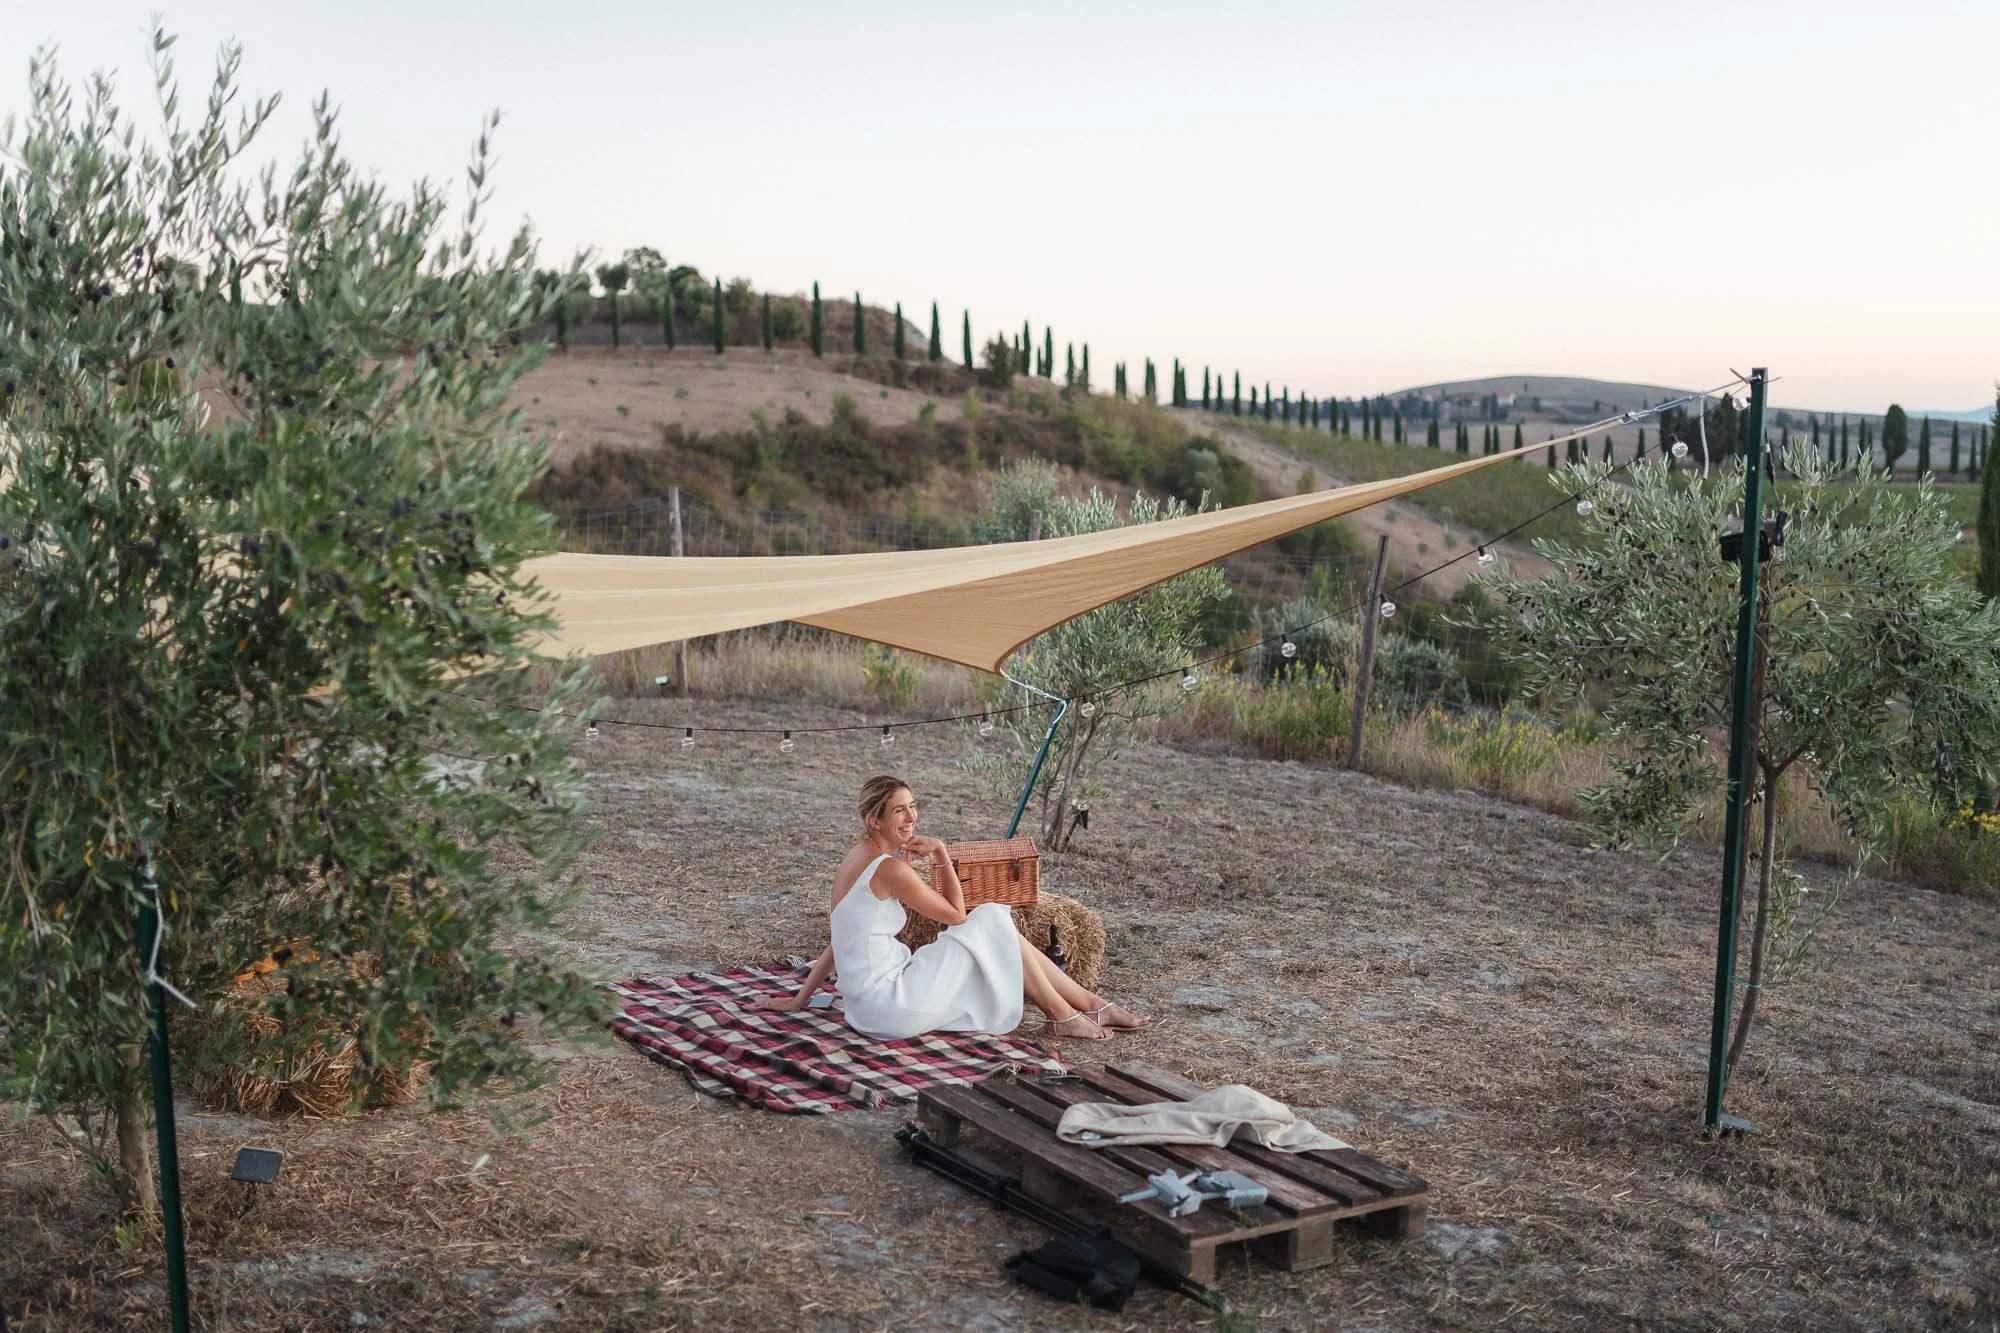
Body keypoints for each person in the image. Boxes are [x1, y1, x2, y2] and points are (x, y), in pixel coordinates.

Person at [761, 775, 1147, 1042]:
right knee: (990, 915)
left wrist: (800, 999)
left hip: (865, 1010)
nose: (912, 818)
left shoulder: (854, 858)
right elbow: (957, 915)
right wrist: (942, 855)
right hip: (891, 1004)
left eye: (913, 806)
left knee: (996, 926)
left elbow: (841, 940)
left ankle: (1089, 1006)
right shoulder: (890, 869)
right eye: (899, 811)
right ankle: (1065, 1015)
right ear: (873, 820)